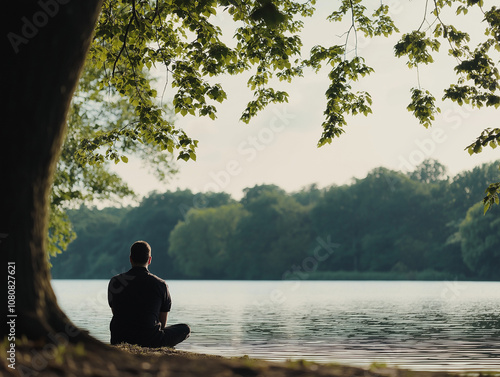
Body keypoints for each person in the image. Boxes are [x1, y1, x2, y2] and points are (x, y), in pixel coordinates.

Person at [107, 240, 190, 347]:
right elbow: (162, 323)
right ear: (149, 260)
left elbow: (116, 312)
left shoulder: (115, 281)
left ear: (130, 259)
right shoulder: (160, 285)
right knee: (185, 329)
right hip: (150, 341)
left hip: (119, 339)